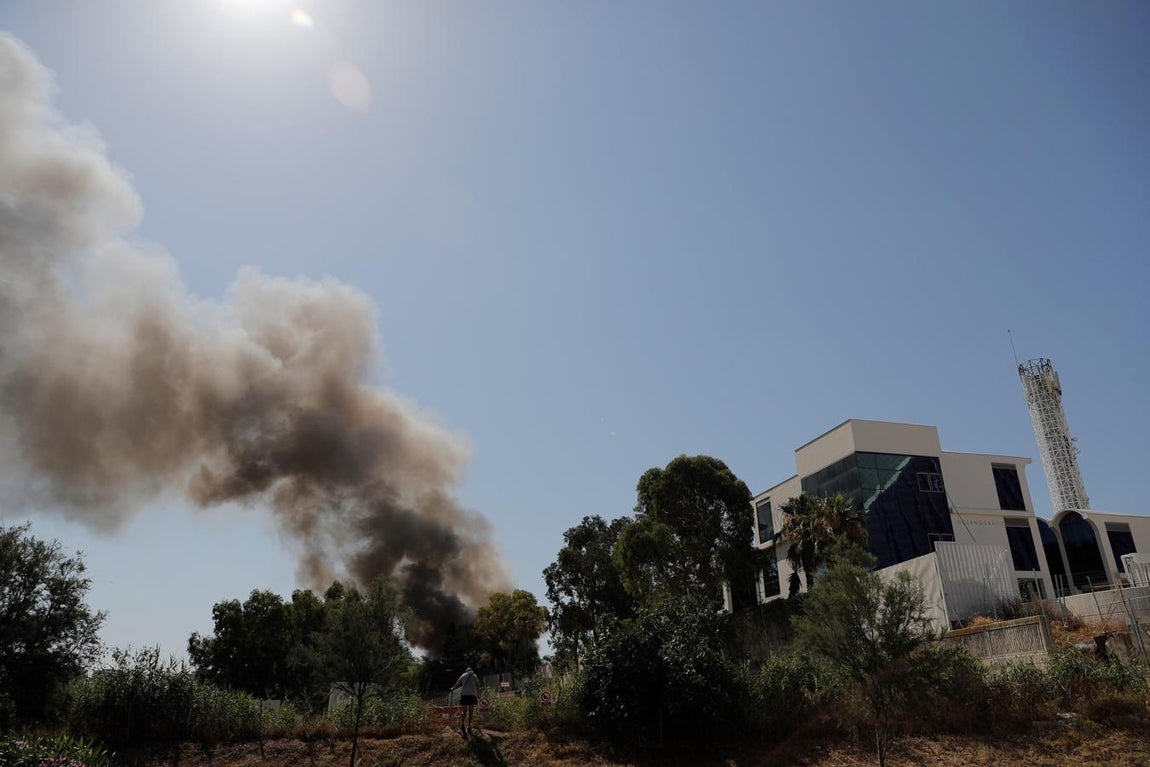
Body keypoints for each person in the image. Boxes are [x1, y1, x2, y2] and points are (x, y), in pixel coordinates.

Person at [451, 667, 480, 735]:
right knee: (471, 711)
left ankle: (462, 724)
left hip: (464, 695)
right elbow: (478, 685)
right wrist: (478, 694)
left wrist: (453, 688)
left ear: (466, 671)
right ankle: (469, 725)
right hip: (472, 696)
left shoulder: (463, 675)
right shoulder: (475, 676)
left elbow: (458, 683)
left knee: (464, 711)